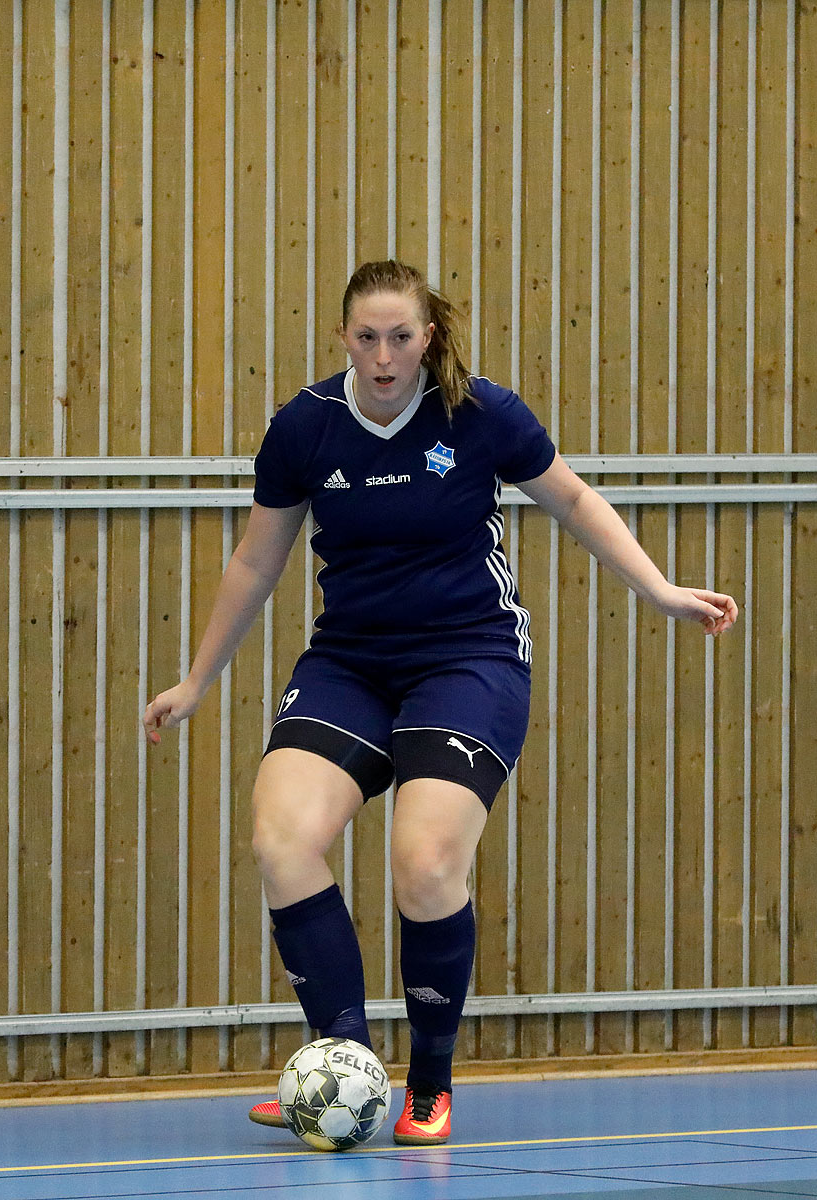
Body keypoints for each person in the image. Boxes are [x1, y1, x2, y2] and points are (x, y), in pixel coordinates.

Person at [142, 259, 738, 1146]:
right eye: (367, 337)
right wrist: (195, 680)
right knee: (282, 838)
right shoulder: (304, 428)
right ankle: (341, 1067)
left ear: (429, 337)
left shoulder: (478, 413)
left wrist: (659, 589)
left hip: (470, 659)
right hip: (351, 662)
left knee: (424, 863)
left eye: (402, 337)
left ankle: (430, 1081)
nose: (384, 357)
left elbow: (571, 498)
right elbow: (255, 562)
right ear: (344, 337)